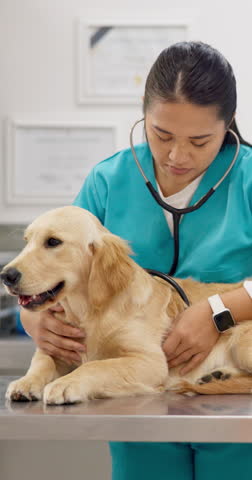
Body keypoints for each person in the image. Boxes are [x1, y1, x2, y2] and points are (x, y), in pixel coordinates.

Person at [21, 41, 252, 479]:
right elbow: (52, 266)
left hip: (233, 402)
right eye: (161, 134)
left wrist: (218, 311)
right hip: (135, 404)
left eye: (199, 141)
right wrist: (35, 320)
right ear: (143, 116)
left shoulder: (248, 179)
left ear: (227, 128)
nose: (176, 156)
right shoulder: (108, 180)